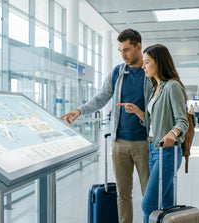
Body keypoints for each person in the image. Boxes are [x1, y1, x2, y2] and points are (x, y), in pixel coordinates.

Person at [60, 29, 151, 223]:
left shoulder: (151, 73)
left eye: (127, 50)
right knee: (122, 194)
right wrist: (79, 111)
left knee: (148, 195)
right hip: (119, 143)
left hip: (144, 142)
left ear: (138, 47)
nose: (123, 55)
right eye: (120, 51)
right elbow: (101, 97)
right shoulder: (118, 72)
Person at [117, 44, 188, 223]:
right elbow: (152, 123)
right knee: (166, 205)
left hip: (167, 152)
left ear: (159, 63)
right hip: (153, 149)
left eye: (147, 62)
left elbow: (182, 120)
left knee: (148, 205)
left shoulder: (172, 86)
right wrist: (138, 112)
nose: (143, 66)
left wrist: (173, 133)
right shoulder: (157, 87)